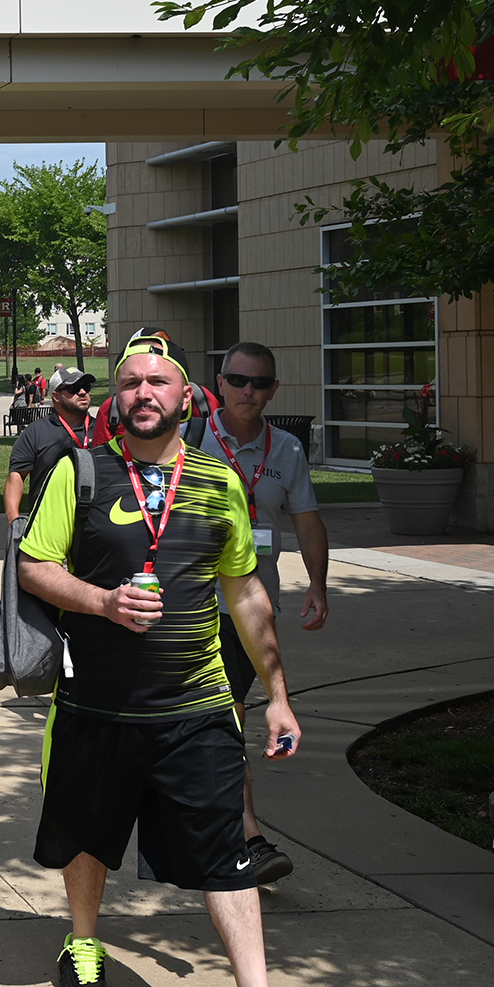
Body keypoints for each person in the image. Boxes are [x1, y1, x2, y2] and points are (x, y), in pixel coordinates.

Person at [14, 335, 336, 987]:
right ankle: (84, 942)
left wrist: (278, 696)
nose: (144, 393)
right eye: (130, 382)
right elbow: (35, 566)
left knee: (226, 848)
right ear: (116, 397)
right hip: (96, 703)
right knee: (89, 833)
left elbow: (245, 593)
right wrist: (101, 600)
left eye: (159, 382)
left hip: (197, 705)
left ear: (188, 398)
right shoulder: (80, 471)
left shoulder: (219, 481)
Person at [194, 343, 328, 884]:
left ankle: (240, 831)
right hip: (189, 605)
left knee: (226, 715)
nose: (247, 391)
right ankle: (246, 834)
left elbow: (307, 520)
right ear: (219, 383)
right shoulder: (190, 440)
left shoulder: (287, 449)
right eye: (237, 380)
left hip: (249, 609)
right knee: (218, 715)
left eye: (259, 383)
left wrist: (317, 584)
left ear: (274, 390)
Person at [5, 366, 99, 520]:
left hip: (94, 523)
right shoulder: (35, 432)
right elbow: (17, 475)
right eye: (74, 388)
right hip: (48, 522)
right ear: (56, 396)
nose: (82, 392)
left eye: (86, 387)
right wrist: (13, 519)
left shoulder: (103, 430)